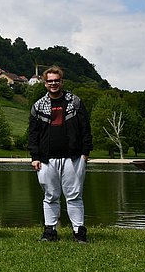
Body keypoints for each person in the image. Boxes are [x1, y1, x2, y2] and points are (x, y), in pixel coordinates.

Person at [28, 66, 93, 243]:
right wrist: (34, 157)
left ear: (62, 82)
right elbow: (33, 134)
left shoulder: (75, 102)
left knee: (74, 195)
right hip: (46, 159)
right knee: (50, 196)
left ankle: (79, 232)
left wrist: (85, 153)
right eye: (50, 81)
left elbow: (85, 128)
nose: (53, 84)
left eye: (56, 80)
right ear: (45, 83)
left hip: (74, 157)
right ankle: (50, 231)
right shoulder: (38, 106)